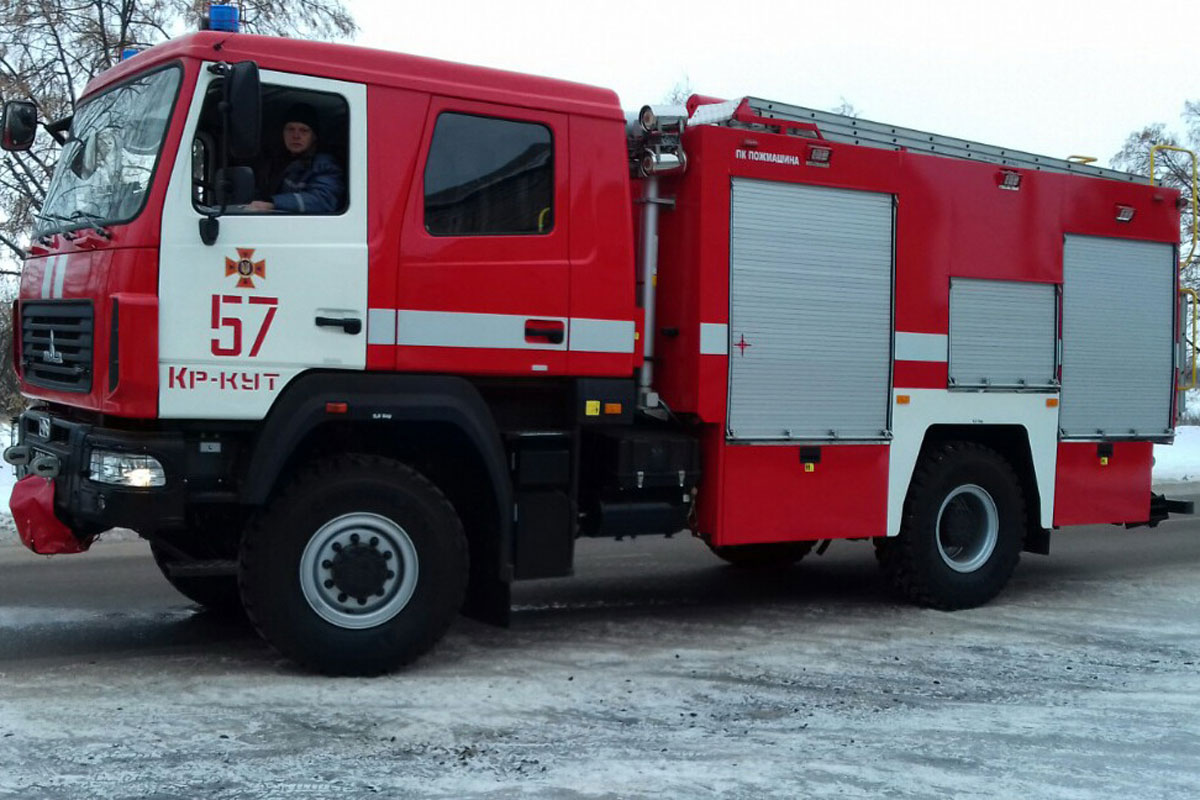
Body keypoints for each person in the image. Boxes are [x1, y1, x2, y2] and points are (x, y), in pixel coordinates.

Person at [248, 103, 345, 213]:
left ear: (314, 137)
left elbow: (324, 200)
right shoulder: (273, 161)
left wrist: (273, 204)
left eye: (304, 130)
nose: (296, 136)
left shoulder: (324, 165)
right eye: (290, 129)